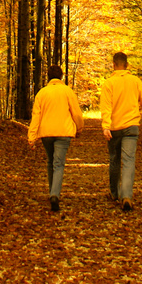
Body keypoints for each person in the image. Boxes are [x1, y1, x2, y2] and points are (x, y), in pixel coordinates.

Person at [100, 51, 142, 212]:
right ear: (127, 65)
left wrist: (106, 126)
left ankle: (114, 193)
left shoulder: (109, 83)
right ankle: (127, 195)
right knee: (129, 161)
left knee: (115, 160)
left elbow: (106, 106)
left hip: (115, 128)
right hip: (131, 126)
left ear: (114, 65)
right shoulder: (135, 81)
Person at [28, 64, 84, 212]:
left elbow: (36, 116)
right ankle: (55, 194)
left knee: (51, 162)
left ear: (48, 77)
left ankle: (52, 192)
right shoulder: (67, 91)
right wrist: (79, 127)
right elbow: (76, 113)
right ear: (61, 76)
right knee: (58, 163)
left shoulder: (42, 93)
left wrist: (32, 136)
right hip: (63, 133)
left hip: (46, 133)